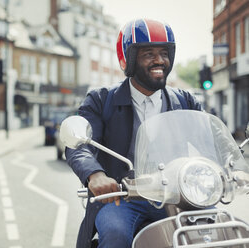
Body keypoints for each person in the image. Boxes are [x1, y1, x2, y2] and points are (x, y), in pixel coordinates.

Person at [65, 18, 203, 248]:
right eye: (148, 53)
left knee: (215, 229)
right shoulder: (100, 100)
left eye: (164, 52)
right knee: (116, 235)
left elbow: (210, 143)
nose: (159, 60)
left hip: (176, 195)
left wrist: (233, 169)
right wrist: (95, 175)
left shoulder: (186, 100)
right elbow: (79, 144)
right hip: (121, 198)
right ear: (128, 60)